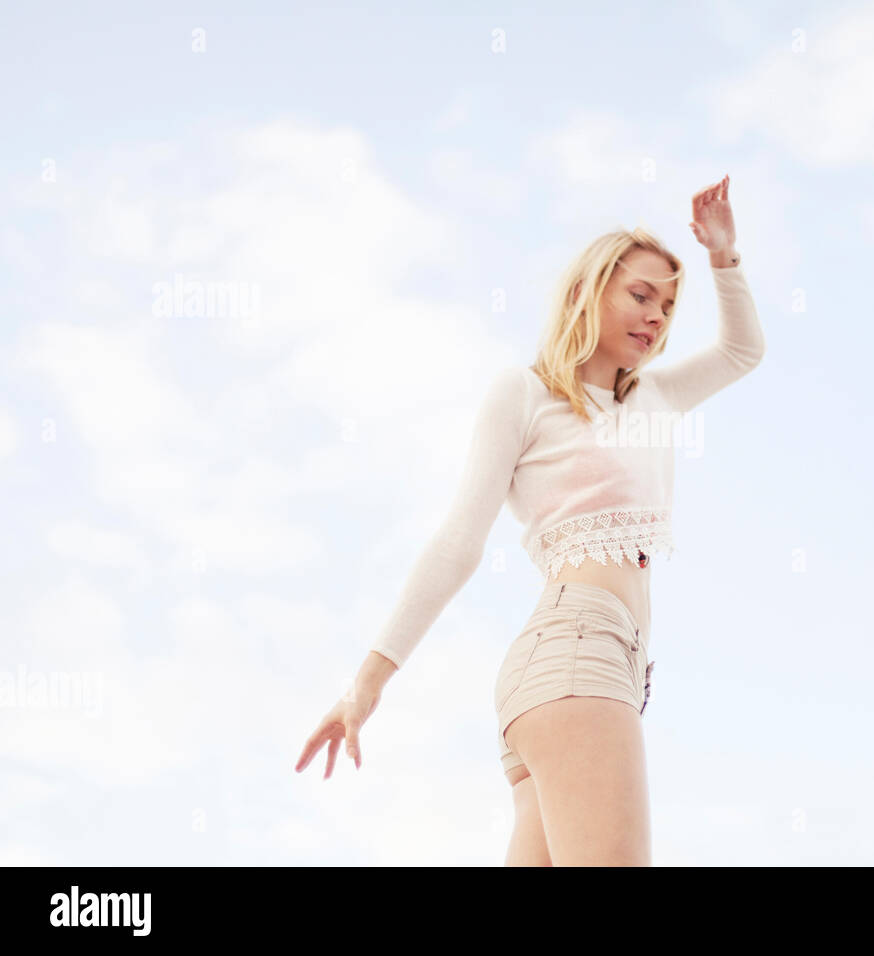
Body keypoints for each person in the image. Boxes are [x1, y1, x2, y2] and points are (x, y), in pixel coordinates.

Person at [295, 174, 765, 865]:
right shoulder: (527, 394)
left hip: (598, 674)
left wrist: (724, 256)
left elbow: (740, 351)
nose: (656, 317)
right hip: (576, 655)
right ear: (587, 291)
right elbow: (458, 543)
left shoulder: (655, 397)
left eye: (667, 306)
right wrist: (366, 684)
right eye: (639, 294)